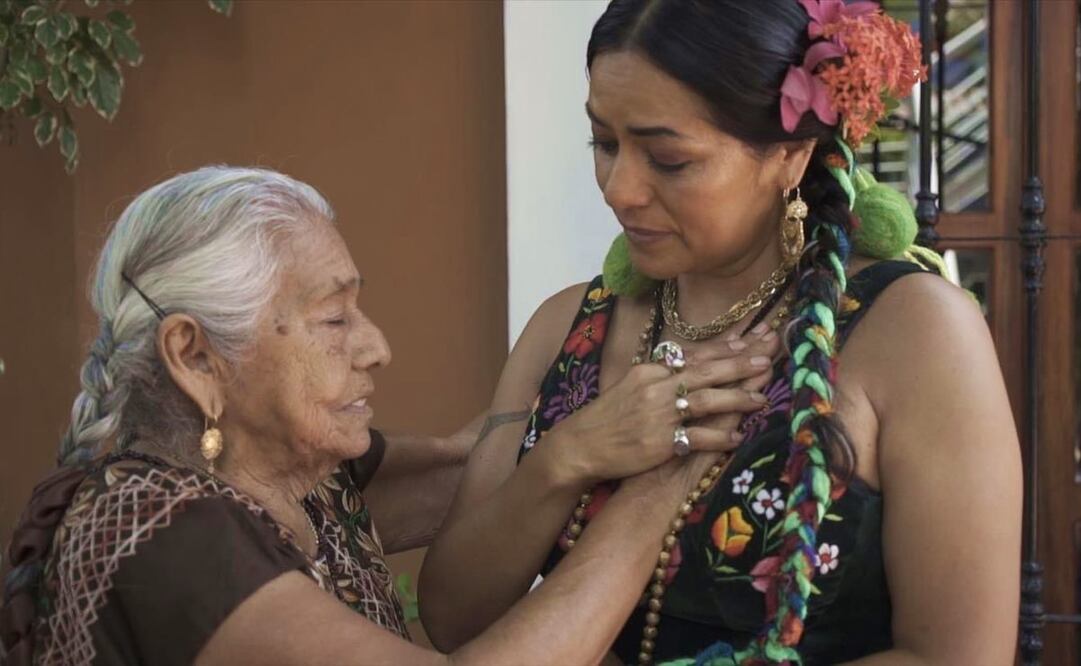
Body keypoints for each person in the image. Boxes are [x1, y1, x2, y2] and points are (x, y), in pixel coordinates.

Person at [419, 2, 1022, 664]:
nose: (618, 190)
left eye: (669, 160)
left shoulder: (913, 333)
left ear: (790, 156)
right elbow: (453, 619)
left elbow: (959, 656)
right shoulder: (564, 328)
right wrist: (569, 456)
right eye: (604, 143)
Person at [0, 166, 771, 666]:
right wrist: (661, 483)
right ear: (195, 356)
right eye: (333, 322)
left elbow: (481, 466)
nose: (376, 347)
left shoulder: (296, 474)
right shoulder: (167, 536)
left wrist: (583, 400)